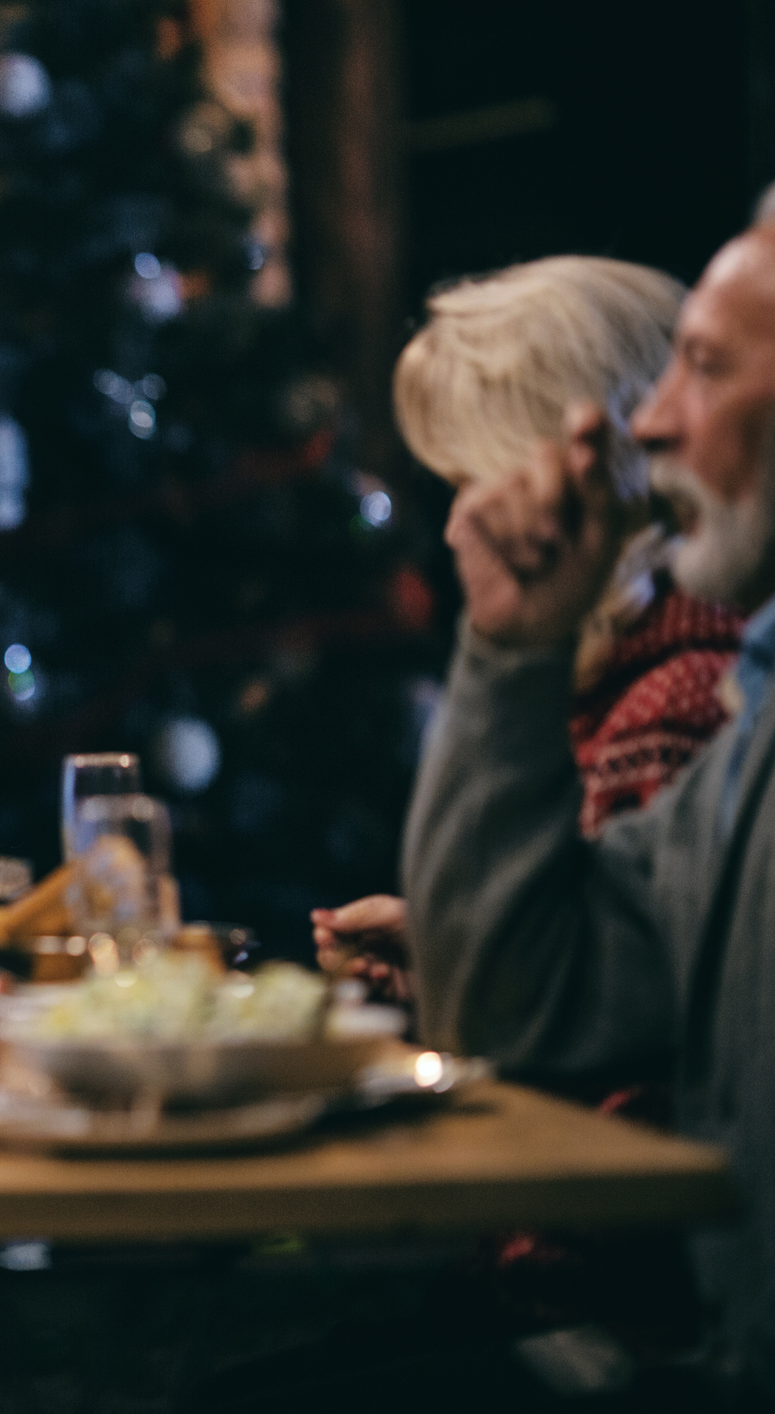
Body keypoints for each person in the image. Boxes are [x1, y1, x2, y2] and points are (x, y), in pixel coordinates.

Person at [403, 207, 775, 1403]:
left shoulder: (691, 694)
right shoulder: (755, 718)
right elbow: (526, 1006)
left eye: (707, 366)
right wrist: (511, 649)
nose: (650, 425)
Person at [313, 258, 741, 1001]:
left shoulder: (673, 704)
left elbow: (622, 1025)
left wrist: (482, 978)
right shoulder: (612, 668)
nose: (456, 528)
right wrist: (444, 952)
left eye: (475, 484)